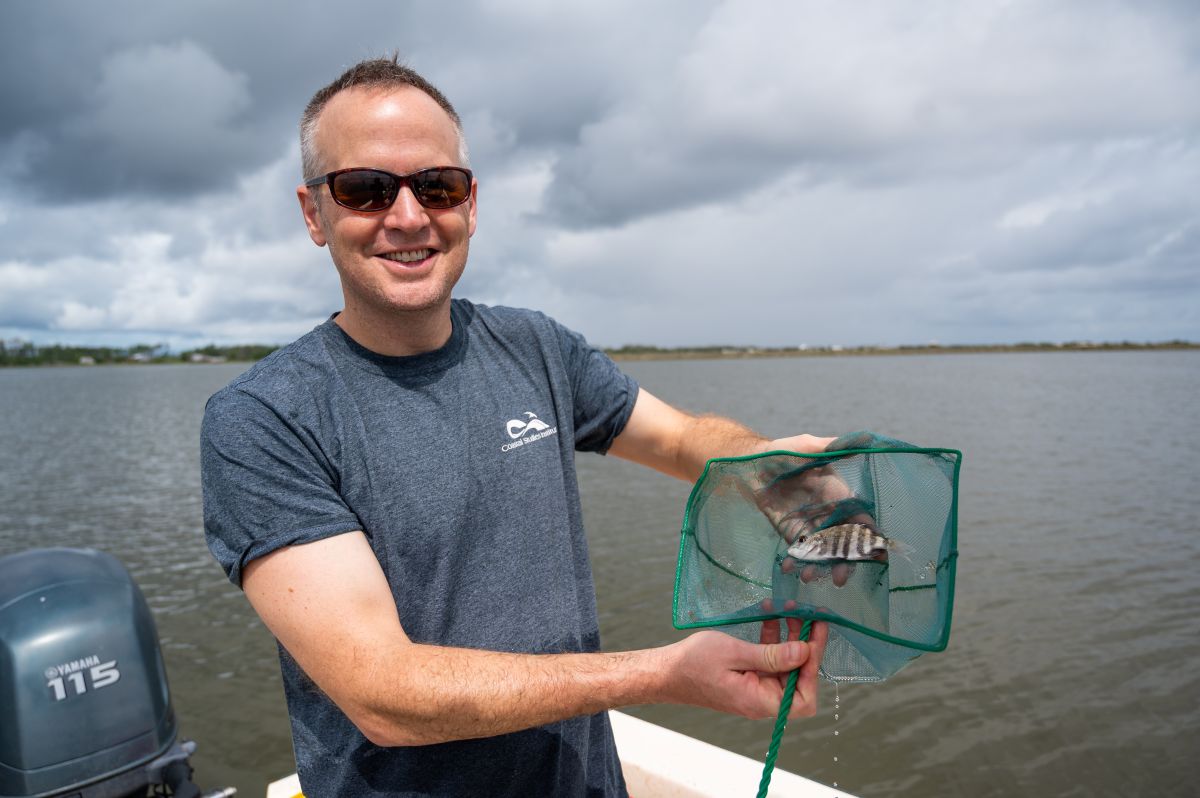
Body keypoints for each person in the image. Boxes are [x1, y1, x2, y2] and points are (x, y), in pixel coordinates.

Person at [201, 56, 832, 798]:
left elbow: (679, 438)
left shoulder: (534, 347)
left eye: (436, 185)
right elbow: (383, 692)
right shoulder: (264, 419)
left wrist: (771, 464)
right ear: (315, 213)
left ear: (471, 203)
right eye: (366, 190)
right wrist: (663, 673)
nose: (408, 217)